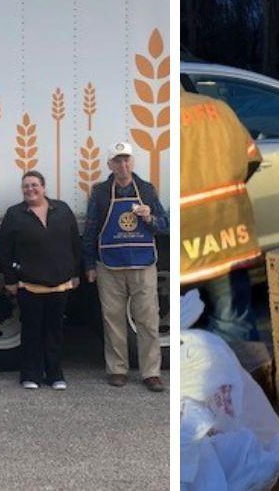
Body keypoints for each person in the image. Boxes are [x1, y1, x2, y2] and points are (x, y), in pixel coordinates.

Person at [84, 142, 170, 392]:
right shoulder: (100, 192)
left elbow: (164, 225)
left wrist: (149, 217)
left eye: (126, 160)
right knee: (113, 320)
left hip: (142, 263)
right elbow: (90, 230)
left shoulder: (145, 189)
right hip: (109, 264)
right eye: (117, 161)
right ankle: (117, 369)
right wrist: (89, 263)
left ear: (132, 163)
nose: (123, 165)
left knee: (148, 320)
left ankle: (151, 372)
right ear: (110, 165)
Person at [179, 93, 263, 345]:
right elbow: (252, 159)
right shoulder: (220, 109)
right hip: (229, 237)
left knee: (185, 330)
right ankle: (243, 378)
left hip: (184, 245)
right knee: (235, 325)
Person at [0, 171, 85, 390]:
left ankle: (55, 374)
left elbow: (75, 244)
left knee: (55, 331)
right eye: (26, 186)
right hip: (29, 285)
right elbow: (5, 250)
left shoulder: (62, 210)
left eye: (34, 185)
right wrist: (10, 279)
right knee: (31, 331)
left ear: (44, 187)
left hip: (60, 284)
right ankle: (30, 375)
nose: (30, 189)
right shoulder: (15, 214)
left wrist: (75, 273)